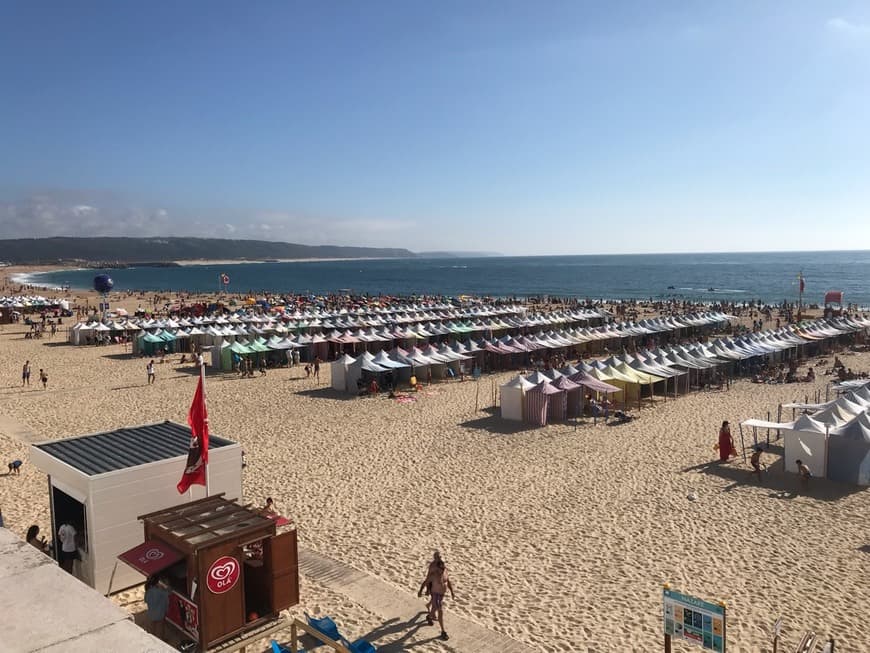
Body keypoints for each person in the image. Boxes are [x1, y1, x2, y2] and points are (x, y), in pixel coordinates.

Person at [425, 558, 454, 641]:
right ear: (437, 568)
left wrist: (452, 591)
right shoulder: (433, 575)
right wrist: (426, 590)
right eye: (441, 568)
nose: (442, 569)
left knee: (433, 610)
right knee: (440, 611)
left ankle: (429, 616)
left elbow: (448, 581)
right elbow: (426, 582)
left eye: (443, 568)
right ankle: (443, 631)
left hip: (441, 595)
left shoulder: (445, 572)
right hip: (435, 594)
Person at [144, 575, 170, 640]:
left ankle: (152, 639)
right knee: (160, 629)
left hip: (151, 613)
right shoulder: (161, 592)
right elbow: (169, 592)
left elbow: (146, 600)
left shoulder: (148, 591)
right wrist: (164, 586)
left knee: (152, 628)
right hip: (160, 614)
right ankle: (161, 640)